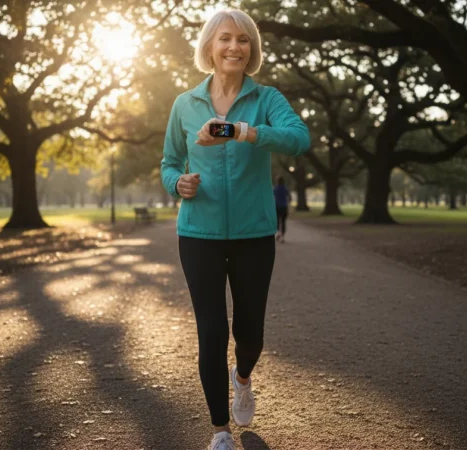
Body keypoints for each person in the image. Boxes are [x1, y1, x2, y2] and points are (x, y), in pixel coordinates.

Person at [159, 8, 310, 450]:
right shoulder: (184, 104)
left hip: (253, 235)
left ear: (252, 49)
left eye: (243, 40)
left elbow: (299, 138)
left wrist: (241, 131)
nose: (234, 47)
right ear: (209, 46)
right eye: (225, 38)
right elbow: (169, 162)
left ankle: (242, 377)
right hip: (198, 234)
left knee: (251, 332)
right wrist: (178, 183)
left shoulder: (267, 99)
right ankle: (221, 432)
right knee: (211, 330)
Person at [273, 176, 291, 243]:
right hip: (284, 207)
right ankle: (282, 237)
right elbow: (289, 197)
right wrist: (287, 202)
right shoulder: (285, 189)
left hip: (277, 207)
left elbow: (272, 197)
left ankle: (278, 233)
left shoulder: (275, 189)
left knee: (277, 221)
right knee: (283, 222)